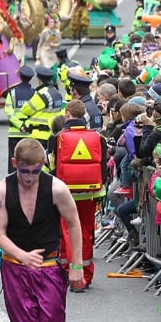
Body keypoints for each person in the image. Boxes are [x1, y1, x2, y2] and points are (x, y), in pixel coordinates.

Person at [0, 138, 84, 322]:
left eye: (36, 171)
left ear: (43, 165)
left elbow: (74, 224)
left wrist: (77, 266)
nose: (29, 177)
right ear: (15, 163)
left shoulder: (57, 188)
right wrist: (22, 255)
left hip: (49, 267)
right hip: (14, 269)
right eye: (24, 171)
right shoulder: (2, 190)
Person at [49, 99, 104, 289]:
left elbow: (52, 167)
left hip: (65, 193)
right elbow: (103, 168)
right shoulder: (98, 137)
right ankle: (85, 276)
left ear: (67, 114)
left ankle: (68, 274)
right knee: (86, 232)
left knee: (66, 232)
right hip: (90, 193)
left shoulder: (57, 138)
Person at [5, 66, 36, 173]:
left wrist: (20, 125)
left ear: (19, 77)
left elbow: (9, 112)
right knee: (29, 162)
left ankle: (12, 185)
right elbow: (35, 113)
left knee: (13, 162)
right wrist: (25, 125)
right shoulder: (35, 94)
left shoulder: (12, 93)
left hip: (14, 134)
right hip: (29, 134)